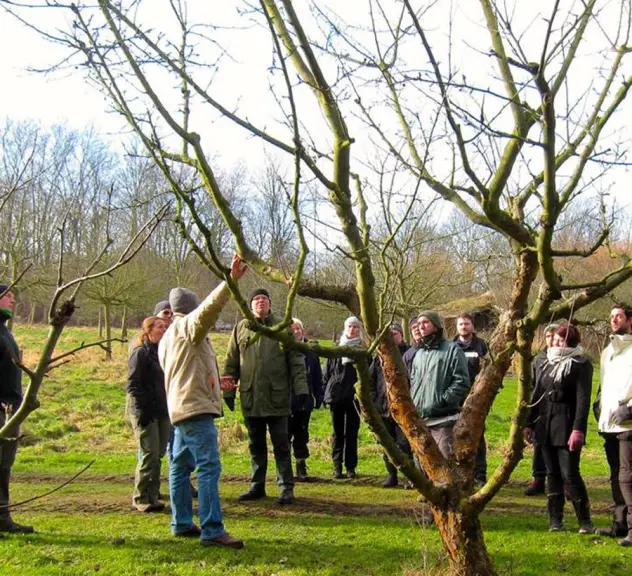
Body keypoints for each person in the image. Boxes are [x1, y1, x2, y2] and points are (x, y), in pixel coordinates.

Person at [158, 255, 247, 549]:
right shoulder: (187, 326)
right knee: (209, 467)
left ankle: (181, 522)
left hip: (180, 408)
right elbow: (211, 308)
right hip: (195, 410)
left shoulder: (168, 337)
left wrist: (214, 382)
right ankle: (212, 529)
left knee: (180, 466)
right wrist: (230, 280)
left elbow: (185, 371)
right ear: (190, 308)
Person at [223, 289, 308, 505]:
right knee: (255, 444)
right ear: (250, 305)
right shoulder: (241, 328)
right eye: (256, 300)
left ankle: (286, 487)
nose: (260, 302)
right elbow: (231, 361)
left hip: (277, 397)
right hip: (251, 397)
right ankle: (257, 485)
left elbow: (296, 361)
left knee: (281, 444)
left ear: (270, 304)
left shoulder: (282, 327)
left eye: (264, 299)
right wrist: (229, 391)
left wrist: (302, 391)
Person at [525, 324, 594, 534]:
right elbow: (536, 394)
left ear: (569, 341)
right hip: (545, 425)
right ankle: (555, 520)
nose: (555, 342)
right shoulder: (546, 362)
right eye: (554, 339)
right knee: (551, 474)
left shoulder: (580, 364)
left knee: (570, 473)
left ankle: (585, 522)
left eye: (559, 339)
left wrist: (578, 430)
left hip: (567, 425)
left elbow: (583, 401)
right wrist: (528, 423)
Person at [593, 304, 632, 546]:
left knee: (629, 477)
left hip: (628, 423)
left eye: (618, 316)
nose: (614, 320)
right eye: (611, 316)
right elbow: (606, 384)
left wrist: (629, 409)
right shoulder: (607, 351)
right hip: (610, 423)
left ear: (630, 320)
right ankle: (619, 525)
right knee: (616, 476)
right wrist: (599, 407)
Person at [409, 311, 469, 459]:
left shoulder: (452, 350)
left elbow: (461, 380)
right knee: (421, 466)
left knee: (444, 464)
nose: (421, 326)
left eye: (425, 322)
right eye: (419, 323)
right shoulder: (419, 353)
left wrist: (443, 400)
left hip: (443, 420)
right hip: (420, 420)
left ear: (435, 325)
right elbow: (413, 380)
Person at [127, 316, 170, 512]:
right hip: (145, 411)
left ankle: (153, 496)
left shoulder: (162, 352)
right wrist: (142, 410)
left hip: (162, 410)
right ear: (149, 330)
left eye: (165, 326)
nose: (164, 329)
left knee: (159, 453)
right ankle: (140, 496)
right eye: (160, 326)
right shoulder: (140, 353)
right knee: (149, 453)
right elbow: (133, 385)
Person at [0, 284, 34, 534]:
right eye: (7, 296)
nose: (13, 300)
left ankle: (2, 517)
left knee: (4, 464)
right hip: (1, 407)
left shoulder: (4, 331)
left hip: (10, 408)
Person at [369, 322, 412, 487]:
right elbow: (370, 380)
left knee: (404, 444)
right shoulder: (379, 356)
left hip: (403, 408)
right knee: (387, 443)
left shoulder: (408, 354)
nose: (392, 337)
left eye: (395, 334)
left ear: (401, 335)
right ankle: (391, 475)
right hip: (383, 408)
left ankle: (410, 477)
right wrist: (374, 401)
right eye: (390, 334)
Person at [323, 316, 365, 479]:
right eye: (349, 326)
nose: (352, 329)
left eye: (355, 327)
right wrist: (324, 394)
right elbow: (327, 373)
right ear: (345, 328)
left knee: (352, 433)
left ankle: (350, 467)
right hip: (336, 397)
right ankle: (337, 466)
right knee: (337, 432)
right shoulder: (336, 350)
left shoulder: (363, 350)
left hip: (355, 398)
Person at [453, 313, 490, 487]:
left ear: (472, 326)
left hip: (477, 398)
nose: (464, 327)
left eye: (467, 324)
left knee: (477, 435)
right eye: (461, 324)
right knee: (455, 435)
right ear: (457, 326)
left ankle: (480, 474)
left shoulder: (481, 346)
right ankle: (458, 473)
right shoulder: (451, 346)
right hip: (456, 399)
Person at [525, 323, 558, 496]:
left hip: (560, 410)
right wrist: (528, 420)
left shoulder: (565, 358)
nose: (551, 339)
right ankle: (538, 480)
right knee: (539, 446)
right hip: (540, 408)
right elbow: (532, 387)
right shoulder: (539, 359)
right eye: (548, 336)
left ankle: (563, 481)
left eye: (554, 335)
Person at [289, 318, 324, 482]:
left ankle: (301, 465)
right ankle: (285, 468)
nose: (296, 332)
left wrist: (319, 395)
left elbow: (317, 375)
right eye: (293, 329)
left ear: (302, 330)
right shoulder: (284, 349)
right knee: (285, 434)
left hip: (305, 400)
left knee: (302, 434)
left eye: (298, 328)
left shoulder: (310, 351)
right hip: (287, 400)